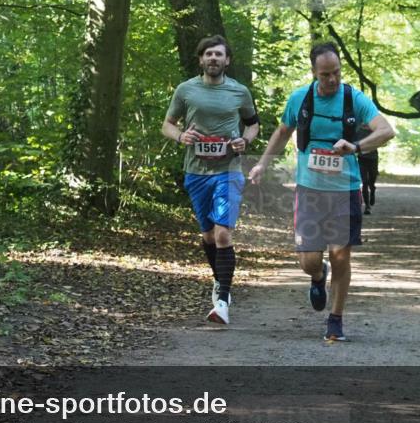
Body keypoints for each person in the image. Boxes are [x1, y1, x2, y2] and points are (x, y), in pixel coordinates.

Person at [249, 43, 394, 342]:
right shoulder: (300, 99)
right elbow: (282, 132)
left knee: (341, 256)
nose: (332, 79)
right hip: (310, 192)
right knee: (309, 261)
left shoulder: (354, 99)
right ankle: (318, 276)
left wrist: (355, 146)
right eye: (326, 74)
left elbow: (386, 131)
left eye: (337, 72)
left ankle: (336, 320)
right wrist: (262, 164)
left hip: (346, 190)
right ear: (314, 73)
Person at [163, 35, 259, 326]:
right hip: (195, 172)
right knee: (207, 237)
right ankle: (220, 281)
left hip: (228, 170)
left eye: (219, 54)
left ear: (227, 60)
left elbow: (253, 124)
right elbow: (167, 125)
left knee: (222, 235)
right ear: (201, 59)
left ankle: (222, 301)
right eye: (208, 54)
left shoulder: (239, 92)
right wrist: (181, 136)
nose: (213, 59)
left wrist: (244, 140)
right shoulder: (186, 90)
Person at [356, 123, 379, 215]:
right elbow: (353, 142)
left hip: (373, 158)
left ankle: (372, 189)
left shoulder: (374, 129)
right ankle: (367, 206)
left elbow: (383, 141)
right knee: (364, 182)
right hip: (362, 158)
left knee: (371, 180)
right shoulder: (358, 130)